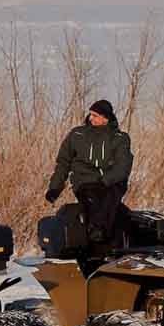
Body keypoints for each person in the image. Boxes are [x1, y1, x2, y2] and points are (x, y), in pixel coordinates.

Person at [45, 100, 133, 243]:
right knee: (94, 201)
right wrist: (54, 188)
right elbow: (63, 163)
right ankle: (97, 237)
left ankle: (113, 244)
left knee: (113, 204)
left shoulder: (120, 138)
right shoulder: (77, 134)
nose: (90, 118)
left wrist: (105, 180)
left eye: (95, 115)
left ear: (106, 118)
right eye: (90, 114)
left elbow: (123, 166)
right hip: (85, 182)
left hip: (111, 182)